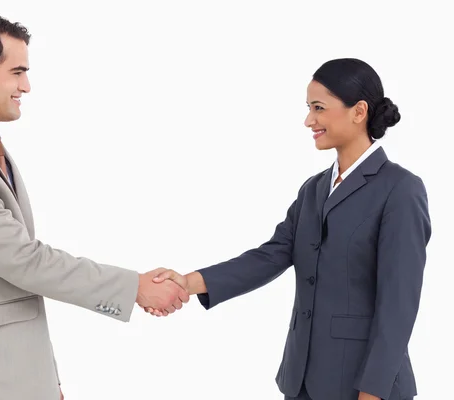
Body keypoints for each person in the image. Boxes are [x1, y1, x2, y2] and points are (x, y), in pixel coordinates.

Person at [0, 13, 187, 400]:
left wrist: (45, 381)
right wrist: (132, 287)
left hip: (6, 371)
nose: (27, 86)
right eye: (17, 72)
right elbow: (22, 260)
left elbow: (7, 285)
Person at [148, 58, 431, 400]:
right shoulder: (313, 189)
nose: (309, 120)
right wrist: (188, 282)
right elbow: (270, 256)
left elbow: (398, 306)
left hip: (363, 385)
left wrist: (372, 392)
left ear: (358, 111)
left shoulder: (400, 189)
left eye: (319, 108)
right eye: (309, 108)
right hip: (302, 380)